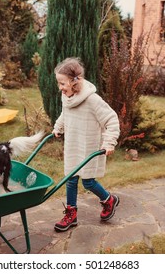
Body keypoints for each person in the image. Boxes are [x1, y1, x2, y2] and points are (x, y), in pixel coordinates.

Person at [52, 57, 120, 232]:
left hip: (88, 146)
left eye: (62, 83)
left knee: (88, 182)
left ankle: (108, 200)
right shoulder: (66, 98)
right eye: (59, 83)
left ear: (74, 82)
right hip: (73, 145)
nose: (59, 87)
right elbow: (65, 114)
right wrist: (58, 127)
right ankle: (71, 214)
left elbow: (111, 119)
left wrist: (109, 142)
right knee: (70, 180)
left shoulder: (92, 100)